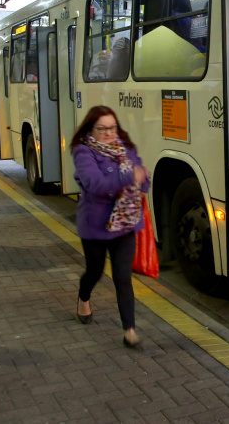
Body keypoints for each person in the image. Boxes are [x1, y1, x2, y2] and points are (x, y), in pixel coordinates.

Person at [71, 106, 150, 347]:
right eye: (102, 128)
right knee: (94, 272)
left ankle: (129, 330)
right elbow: (95, 184)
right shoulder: (83, 151)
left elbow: (142, 181)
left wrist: (143, 179)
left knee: (122, 277)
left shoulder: (126, 148)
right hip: (95, 225)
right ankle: (84, 297)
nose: (108, 133)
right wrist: (130, 178)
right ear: (91, 129)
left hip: (124, 224)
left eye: (112, 127)